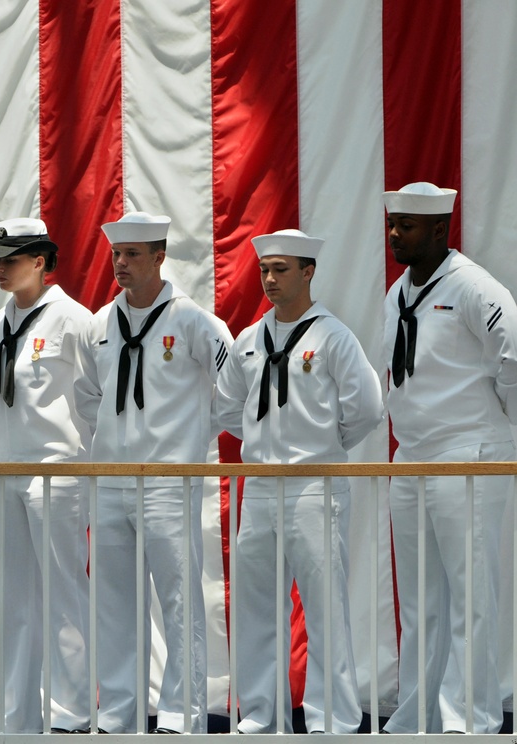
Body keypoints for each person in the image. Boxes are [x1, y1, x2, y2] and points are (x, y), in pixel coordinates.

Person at [216, 229, 383, 733]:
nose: (270, 278)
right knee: (256, 605)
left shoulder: (332, 336)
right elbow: (227, 405)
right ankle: (263, 717)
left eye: (282, 269)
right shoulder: (250, 339)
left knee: (324, 607)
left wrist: (322, 450)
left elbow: (367, 409)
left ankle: (332, 720)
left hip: (314, 485)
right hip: (262, 486)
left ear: (308, 271)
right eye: (265, 269)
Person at [75, 211, 232, 734]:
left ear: (160, 256)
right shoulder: (100, 324)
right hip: (113, 479)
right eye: (117, 255)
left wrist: (189, 438)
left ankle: (180, 716)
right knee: (114, 604)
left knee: (180, 600)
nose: (121, 264)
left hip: (168, 481)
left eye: (133, 254)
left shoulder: (192, 321)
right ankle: (119, 713)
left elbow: (232, 391)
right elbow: (87, 397)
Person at [380, 182, 517, 734]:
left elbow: (513, 355)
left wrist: (495, 423)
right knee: (419, 602)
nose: (395, 234)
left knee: (471, 597)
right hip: (410, 456)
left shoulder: (473, 288)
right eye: (393, 224)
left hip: (468, 454)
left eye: (407, 226)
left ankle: (470, 721)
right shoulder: (398, 293)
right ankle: (419, 717)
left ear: (440, 229)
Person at [0, 218, 92, 733]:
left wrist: (85, 462)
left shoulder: (73, 320)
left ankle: (70, 715)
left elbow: (95, 400)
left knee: (64, 593)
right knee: (15, 598)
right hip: (6, 469)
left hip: (54, 471)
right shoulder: (1, 321)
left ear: (40, 262)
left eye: (11, 257)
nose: (1, 267)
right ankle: (17, 715)